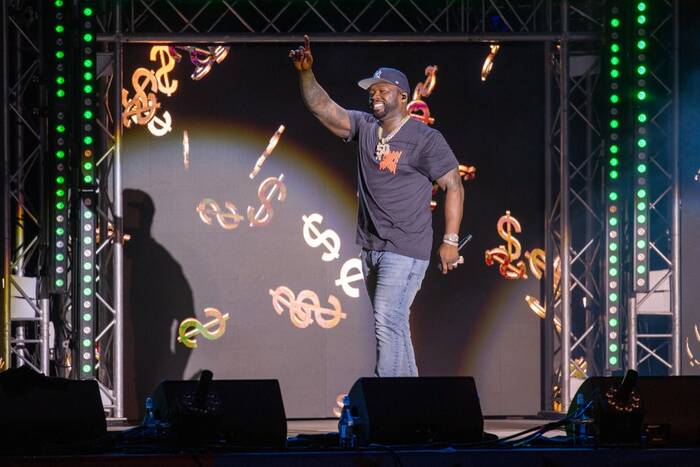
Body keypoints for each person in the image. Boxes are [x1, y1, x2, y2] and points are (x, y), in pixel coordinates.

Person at [290, 36, 464, 377]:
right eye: (371, 91)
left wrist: (451, 240)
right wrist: (306, 73)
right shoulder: (366, 127)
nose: (374, 95)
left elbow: (454, 185)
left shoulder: (425, 139)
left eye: (383, 90)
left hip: (406, 249)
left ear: (403, 96)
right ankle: (412, 401)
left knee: (387, 321)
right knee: (394, 324)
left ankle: (386, 398)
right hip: (372, 248)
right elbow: (322, 107)